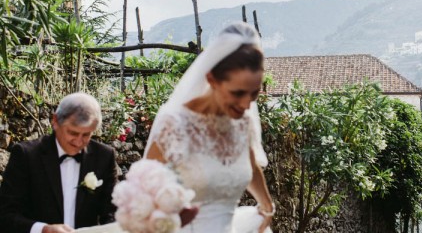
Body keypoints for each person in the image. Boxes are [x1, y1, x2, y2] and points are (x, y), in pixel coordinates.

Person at [143, 21, 275, 233]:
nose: (245, 105)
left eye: (254, 93)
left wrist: (267, 205)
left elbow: (250, 166)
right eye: (238, 93)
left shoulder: (242, 123)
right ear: (212, 79)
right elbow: (143, 194)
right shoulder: (175, 125)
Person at [0, 92, 119, 233]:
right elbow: (6, 215)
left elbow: (113, 212)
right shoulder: (26, 155)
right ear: (55, 121)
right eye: (73, 133)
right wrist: (42, 229)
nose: (79, 142)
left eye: (86, 134)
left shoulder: (104, 156)